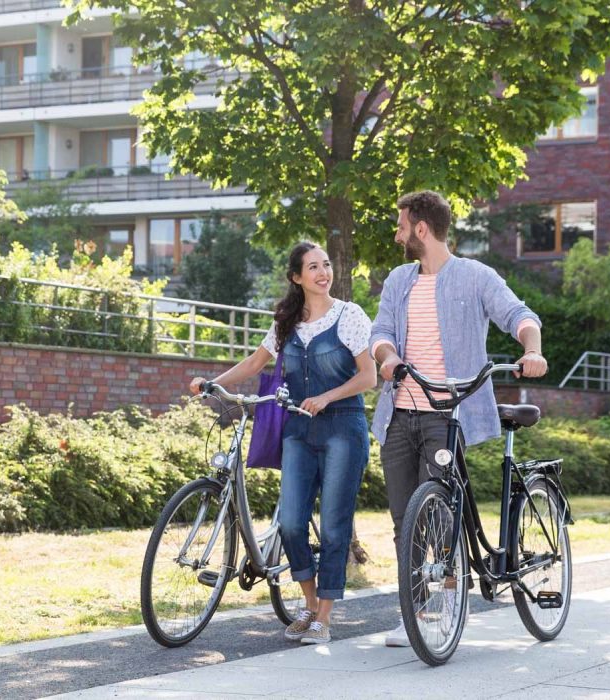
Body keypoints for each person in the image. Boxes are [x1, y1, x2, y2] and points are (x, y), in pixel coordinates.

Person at [369, 190, 548, 647]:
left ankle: (448, 604)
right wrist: (386, 357)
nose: (397, 233)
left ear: (421, 229)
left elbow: (519, 315)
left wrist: (533, 351)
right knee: (403, 519)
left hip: (446, 414)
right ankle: (413, 611)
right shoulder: (398, 280)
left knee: (440, 514)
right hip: (399, 412)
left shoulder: (474, 276)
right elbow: (382, 330)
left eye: (401, 225)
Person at [188, 241, 378, 645]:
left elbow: (368, 377)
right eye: (313, 267)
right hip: (298, 430)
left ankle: (323, 617)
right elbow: (256, 363)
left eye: (326, 264)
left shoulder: (350, 315)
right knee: (290, 522)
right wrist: (213, 384)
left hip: (343, 428)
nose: (323, 272)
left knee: (333, 526)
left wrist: (327, 396)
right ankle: (308, 605)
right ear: (296, 277)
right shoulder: (285, 321)